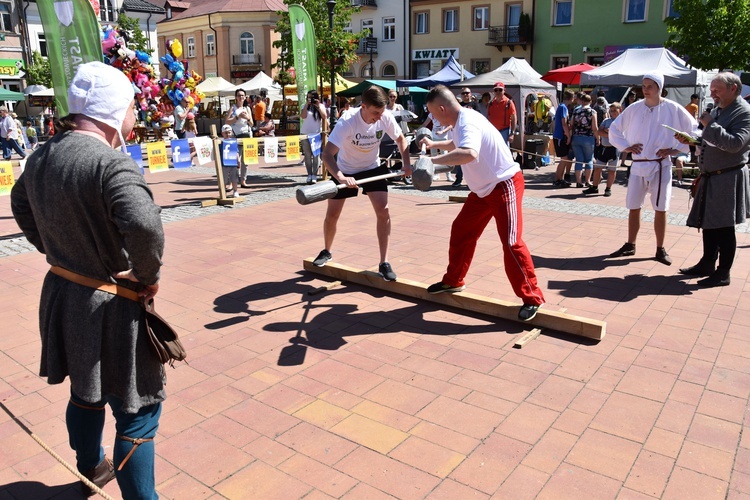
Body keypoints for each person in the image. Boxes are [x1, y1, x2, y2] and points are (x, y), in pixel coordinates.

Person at [10, 61, 164, 499]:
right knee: (138, 409)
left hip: (63, 293)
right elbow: (145, 226)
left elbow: (21, 204)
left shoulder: (40, 156)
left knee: (86, 389)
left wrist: (52, 248)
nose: (136, 116)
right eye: (133, 107)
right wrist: (147, 275)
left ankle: (90, 467)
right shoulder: (111, 163)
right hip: (111, 302)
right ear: (114, 111)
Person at [418, 85, 545, 321]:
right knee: (461, 230)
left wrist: (430, 161)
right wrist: (435, 144)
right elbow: (457, 144)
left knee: (511, 242)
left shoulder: (467, 121)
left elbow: (468, 153)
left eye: (433, 113)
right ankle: (454, 281)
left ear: (442, 108)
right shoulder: (459, 121)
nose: (433, 118)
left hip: (504, 185)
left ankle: (532, 298)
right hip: (482, 192)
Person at [314, 85, 412, 281]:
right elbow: (326, 154)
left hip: (372, 168)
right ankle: (327, 250)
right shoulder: (347, 122)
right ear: (363, 106)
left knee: (383, 211)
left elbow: (401, 139)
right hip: (345, 169)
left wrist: (407, 164)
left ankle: (384, 262)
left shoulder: (385, 117)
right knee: (332, 214)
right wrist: (341, 176)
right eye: (375, 112)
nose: (378, 117)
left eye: (381, 112)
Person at [608, 72, 698, 265]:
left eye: (650, 86)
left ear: (659, 87)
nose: (645, 89)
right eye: (644, 85)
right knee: (633, 206)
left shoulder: (673, 108)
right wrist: (626, 146)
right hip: (639, 164)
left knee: (661, 208)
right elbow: (615, 129)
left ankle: (660, 248)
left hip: (660, 165)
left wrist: (675, 149)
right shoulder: (634, 108)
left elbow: (693, 130)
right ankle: (630, 244)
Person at [679, 72, 750, 287]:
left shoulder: (744, 112)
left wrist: (710, 124)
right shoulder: (719, 109)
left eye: (716, 90)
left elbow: (735, 144)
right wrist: (693, 140)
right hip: (712, 175)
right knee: (708, 222)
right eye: (711, 89)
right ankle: (707, 262)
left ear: (733, 89)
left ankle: (723, 272)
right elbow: (712, 140)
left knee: (724, 226)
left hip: (728, 176)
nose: (712, 94)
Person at [586, 102, 621, 196]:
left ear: (619, 110)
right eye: (611, 110)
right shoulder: (606, 120)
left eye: (615, 110)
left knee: (612, 170)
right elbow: (599, 131)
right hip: (604, 148)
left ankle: (608, 188)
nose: (613, 112)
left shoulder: (622, 122)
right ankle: (594, 187)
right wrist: (609, 133)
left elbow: (620, 136)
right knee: (597, 168)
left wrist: (609, 133)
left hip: (614, 149)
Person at [225, 89, 253, 188]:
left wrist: (247, 118)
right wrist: (237, 117)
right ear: (236, 97)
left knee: (245, 160)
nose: (241, 97)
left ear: (245, 97)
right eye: (239, 95)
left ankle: (243, 180)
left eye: (243, 95)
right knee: (235, 159)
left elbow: (252, 123)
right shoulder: (233, 108)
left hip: (246, 135)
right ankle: (233, 181)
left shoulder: (247, 108)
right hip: (235, 136)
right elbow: (227, 122)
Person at [571, 93, 598, 189]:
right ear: (590, 101)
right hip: (588, 137)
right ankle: (587, 181)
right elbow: (594, 127)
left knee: (579, 160)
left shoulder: (576, 110)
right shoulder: (592, 112)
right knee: (589, 160)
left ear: (582, 101)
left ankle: (578, 182)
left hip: (576, 137)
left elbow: (571, 124)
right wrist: (597, 138)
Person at [300, 90, 327, 184]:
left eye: (312, 97)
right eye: (308, 97)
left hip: (316, 134)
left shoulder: (320, 106)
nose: (310, 99)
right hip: (305, 133)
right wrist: (307, 105)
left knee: (316, 155)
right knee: (307, 155)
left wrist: (318, 106)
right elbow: (303, 116)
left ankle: (314, 175)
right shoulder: (305, 106)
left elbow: (324, 116)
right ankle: (309, 175)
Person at [421, 112, 454, 183]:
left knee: (445, 156)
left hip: (443, 138)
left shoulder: (444, 113)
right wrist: (418, 129)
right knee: (434, 156)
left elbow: (451, 125)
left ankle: (448, 175)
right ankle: (436, 174)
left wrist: (443, 131)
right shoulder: (431, 114)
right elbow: (425, 124)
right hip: (433, 137)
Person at [552, 90, 574, 187]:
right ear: (571, 98)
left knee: (564, 159)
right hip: (560, 136)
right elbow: (563, 123)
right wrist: (568, 136)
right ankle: (558, 179)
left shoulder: (561, 107)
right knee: (564, 159)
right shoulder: (563, 107)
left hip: (559, 135)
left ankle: (559, 178)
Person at [220, 124, 240, 197]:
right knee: (224, 179)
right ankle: (223, 192)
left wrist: (238, 161)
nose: (228, 134)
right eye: (226, 133)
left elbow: (236, 152)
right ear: (222, 133)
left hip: (233, 162)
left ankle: (235, 191)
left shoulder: (233, 142)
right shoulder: (221, 143)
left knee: (234, 178)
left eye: (229, 132)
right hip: (224, 163)